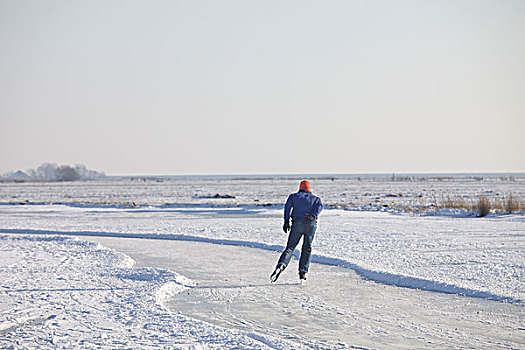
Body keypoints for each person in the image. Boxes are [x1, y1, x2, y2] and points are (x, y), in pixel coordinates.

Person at [270, 180, 323, 282]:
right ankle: (303, 273)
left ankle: (280, 267)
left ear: (300, 187)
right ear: (309, 188)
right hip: (310, 224)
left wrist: (286, 221)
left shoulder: (293, 197)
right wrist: (313, 216)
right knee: (307, 248)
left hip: (297, 224)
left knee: (290, 248)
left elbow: (287, 208)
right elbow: (319, 207)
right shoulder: (316, 199)